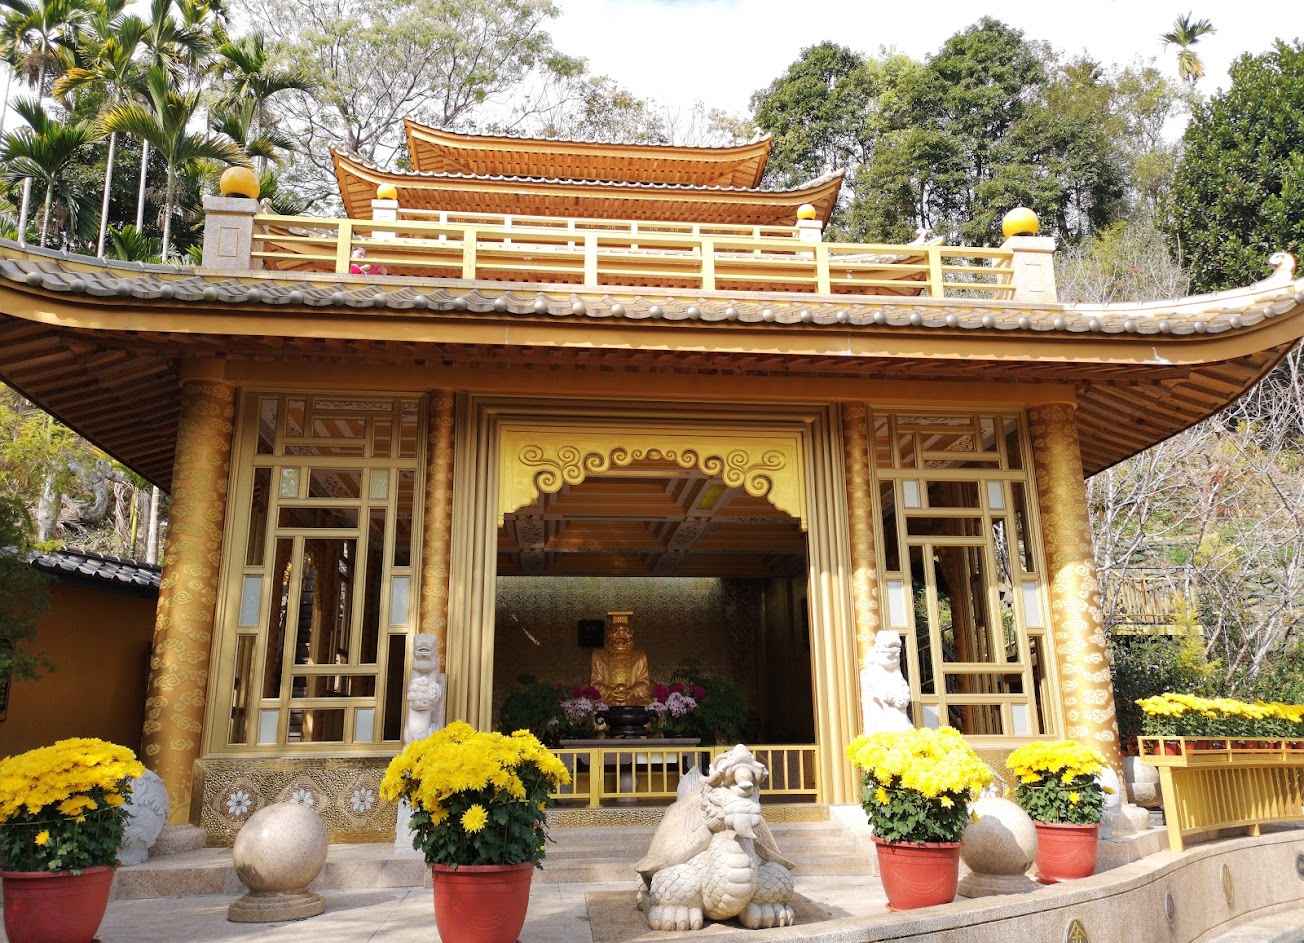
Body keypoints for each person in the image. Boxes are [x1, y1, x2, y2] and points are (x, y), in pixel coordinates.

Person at [591, 612, 652, 706]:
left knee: (646, 705)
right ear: (609, 635)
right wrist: (610, 692)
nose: (621, 634)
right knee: (595, 707)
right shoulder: (599, 655)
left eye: (625, 631)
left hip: (633, 701)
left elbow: (644, 683)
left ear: (631, 635)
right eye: (616, 631)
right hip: (608, 701)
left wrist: (632, 691)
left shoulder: (639, 655)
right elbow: (595, 684)